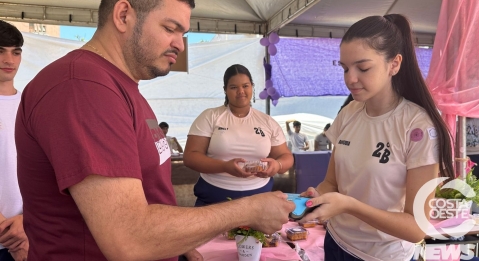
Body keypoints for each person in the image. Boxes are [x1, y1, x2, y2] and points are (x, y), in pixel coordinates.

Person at [15, 1, 294, 260]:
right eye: (170, 28)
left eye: (182, 33)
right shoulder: (83, 86)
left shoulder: (122, 88)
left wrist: (183, 244)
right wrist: (249, 209)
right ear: (123, 15)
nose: (180, 45)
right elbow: (128, 236)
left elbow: (150, 193)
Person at [298, 14, 454, 261]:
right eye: (345, 68)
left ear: (394, 64)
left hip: (383, 256)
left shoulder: (417, 127)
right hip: (336, 242)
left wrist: (349, 205)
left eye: (363, 67)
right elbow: (331, 182)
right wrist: (316, 197)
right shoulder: (348, 114)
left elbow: (416, 229)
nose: (351, 78)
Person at [184, 64, 293, 206]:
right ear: (225, 90)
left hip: (258, 199)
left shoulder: (267, 122)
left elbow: (286, 156)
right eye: (234, 87)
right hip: (214, 198)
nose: (240, 91)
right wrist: (224, 167)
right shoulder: (210, 116)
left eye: (245, 86)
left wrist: (277, 166)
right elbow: (190, 156)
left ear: (252, 87)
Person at [0, 20, 29, 261]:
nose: (9, 60)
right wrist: (10, 235)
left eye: (15, 52)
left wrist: (27, 220)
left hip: (28, 232)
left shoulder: (32, 106)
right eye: (0, 51)